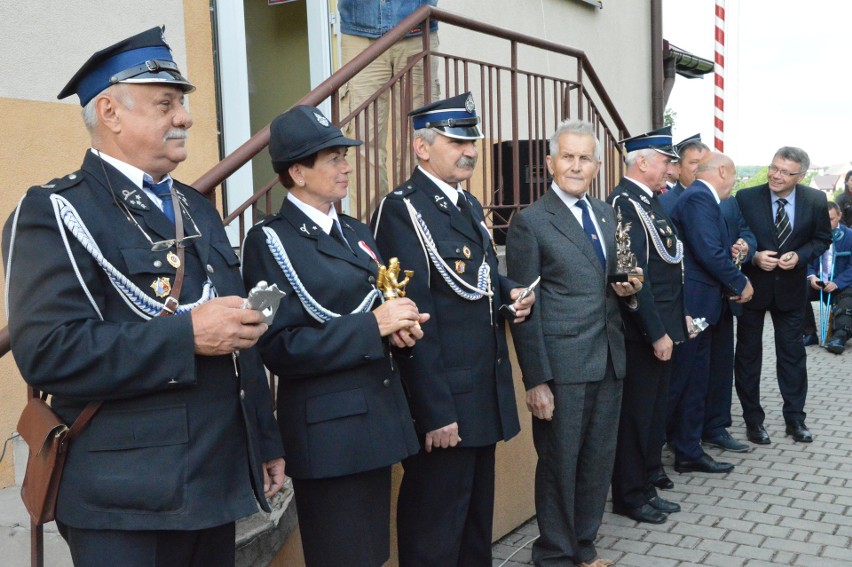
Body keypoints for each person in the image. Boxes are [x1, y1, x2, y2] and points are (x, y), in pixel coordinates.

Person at [2, 27, 285, 566]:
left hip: (213, 480)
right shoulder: (55, 211)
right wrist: (187, 335)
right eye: (166, 103)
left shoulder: (194, 206)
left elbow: (235, 332)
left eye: (181, 103)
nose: (185, 118)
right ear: (109, 112)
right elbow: (49, 352)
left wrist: (264, 443)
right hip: (125, 498)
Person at [241, 105, 427, 566]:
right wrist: (373, 327)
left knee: (371, 555)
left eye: (345, 156)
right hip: (329, 437)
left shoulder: (356, 232)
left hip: (377, 421)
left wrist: (394, 330)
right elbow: (276, 347)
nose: (347, 166)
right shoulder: (267, 242)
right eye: (333, 159)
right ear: (298, 172)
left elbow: (371, 307)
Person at [370, 92, 535, 567]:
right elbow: (413, 317)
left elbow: (472, 277)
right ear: (422, 148)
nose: (471, 151)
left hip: (480, 395)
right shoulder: (403, 209)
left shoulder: (466, 203)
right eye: (457, 141)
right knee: (434, 533)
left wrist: (508, 292)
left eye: (473, 141)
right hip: (445, 406)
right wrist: (436, 412)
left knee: (473, 529)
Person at [506, 120, 642, 567]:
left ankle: (583, 550)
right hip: (562, 367)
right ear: (549, 162)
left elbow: (615, 281)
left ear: (598, 165)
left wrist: (630, 288)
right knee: (559, 468)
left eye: (585, 158)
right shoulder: (530, 222)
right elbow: (527, 307)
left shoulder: (606, 214)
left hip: (608, 360)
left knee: (596, 464)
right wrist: (536, 379)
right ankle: (554, 556)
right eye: (568, 156)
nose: (576, 166)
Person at [607, 126, 688, 524]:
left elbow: (669, 268)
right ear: (643, 162)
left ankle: (645, 484)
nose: (670, 169)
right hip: (641, 334)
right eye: (665, 161)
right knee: (637, 418)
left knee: (653, 415)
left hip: (663, 329)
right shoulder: (624, 204)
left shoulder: (650, 202)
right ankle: (629, 495)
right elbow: (633, 276)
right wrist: (655, 331)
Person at [735, 147, 832, 444]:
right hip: (753, 291)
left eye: (785, 172)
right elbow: (737, 238)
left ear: (801, 175)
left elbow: (822, 239)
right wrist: (753, 257)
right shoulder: (746, 198)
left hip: (791, 292)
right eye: (773, 168)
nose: (776, 176)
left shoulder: (815, 200)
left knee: (792, 357)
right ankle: (753, 421)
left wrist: (800, 256)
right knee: (749, 356)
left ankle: (795, 420)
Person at [667, 153, 753, 474]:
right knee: (682, 383)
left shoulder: (702, 198)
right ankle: (650, 460)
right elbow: (708, 250)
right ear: (722, 171)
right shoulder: (698, 199)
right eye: (734, 175)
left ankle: (688, 450)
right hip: (692, 307)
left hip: (705, 307)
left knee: (695, 383)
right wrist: (740, 282)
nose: (735, 183)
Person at [339, 0, 441, 219]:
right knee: (361, 141)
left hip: (417, 28)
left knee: (419, 140)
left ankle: (416, 227)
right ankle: (370, 233)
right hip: (360, 30)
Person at [802, 201, 852, 354]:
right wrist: (812, 277)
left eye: (831, 219)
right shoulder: (813, 236)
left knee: (847, 300)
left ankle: (839, 337)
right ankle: (809, 333)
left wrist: (837, 283)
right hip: (819, 282)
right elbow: (806, 260)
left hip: (842, 283)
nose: (827, 223)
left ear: (839, 216)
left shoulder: (850, 236)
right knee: (797, 290)